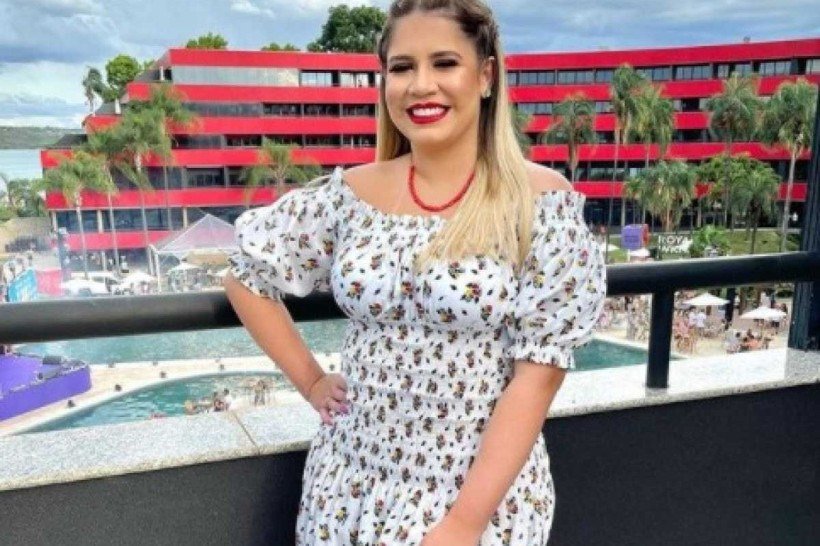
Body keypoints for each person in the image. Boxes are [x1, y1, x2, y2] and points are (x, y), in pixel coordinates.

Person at [224, 1, 607, 544]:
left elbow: (538, 375)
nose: (420, 85)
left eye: (444, 63)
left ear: (486, 76)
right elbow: (247, 273)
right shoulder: (351, 194)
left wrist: (464, 523)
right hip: (347, 486)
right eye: (402, 67)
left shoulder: (539, 203)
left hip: (475, 499)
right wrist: (310, 381)